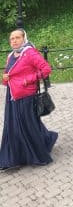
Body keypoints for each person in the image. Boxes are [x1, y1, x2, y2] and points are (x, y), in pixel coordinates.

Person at [0, 29, 58, 169]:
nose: (14, 40)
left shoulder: (29, 52)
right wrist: (4, 78)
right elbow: (8, 74)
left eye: (17, 37)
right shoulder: (10, 56)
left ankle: (36, 155)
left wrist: (29, 79)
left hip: (26, 95)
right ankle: (16, 156)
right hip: (12, 95)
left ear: (24, 38)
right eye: (12, 38)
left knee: (28, 125)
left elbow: (46, 69)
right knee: (13, 126)